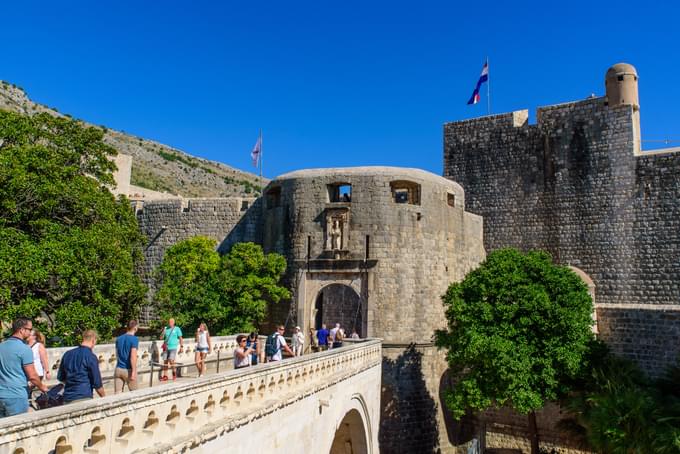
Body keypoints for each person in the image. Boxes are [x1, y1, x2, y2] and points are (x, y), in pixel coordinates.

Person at [0, 318, 47, 417]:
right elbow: (32, 376)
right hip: (17, 396)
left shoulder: (1, 346)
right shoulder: (24, 349)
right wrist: (42, 387)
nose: (30, 333)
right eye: (29, 330)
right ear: (21, 330)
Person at [58, 330, 105, 404]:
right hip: (84, 397)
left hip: (67, 398)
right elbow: (97, 383)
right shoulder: (91, 356)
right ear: (93, 340)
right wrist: (104, 397)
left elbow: (61, 377)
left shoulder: (67, 354)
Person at [114, 320, 139, 394]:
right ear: (135, 327)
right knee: (135, 394)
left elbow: (117, 355)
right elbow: (133, 357)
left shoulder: (118, 339)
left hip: (118, 369)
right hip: (128, 370)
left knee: (117, 395)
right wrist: (134, 372)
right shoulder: (134, 339)